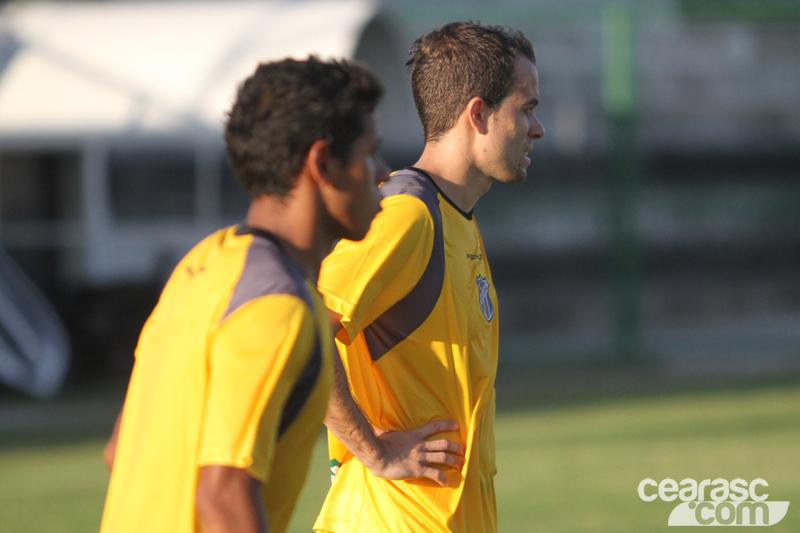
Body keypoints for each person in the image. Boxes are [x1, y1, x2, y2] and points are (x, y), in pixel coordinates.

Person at [99, 56, 388, 533]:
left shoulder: (204, 263)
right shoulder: (278, 307)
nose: (383, 173)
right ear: (321, 163)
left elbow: (120, 450)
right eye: (369, 153)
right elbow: (223, 493)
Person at [314, 22, 545, 533]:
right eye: (526, 109)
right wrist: (372, 450)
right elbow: (299, 325)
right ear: (478, 114)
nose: (538, 128)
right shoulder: (406, 217)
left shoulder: (454, 218)